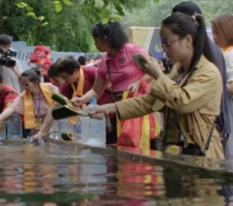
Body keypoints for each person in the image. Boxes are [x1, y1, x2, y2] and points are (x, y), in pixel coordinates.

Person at [89, 13, 224, 159]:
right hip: (176, 153)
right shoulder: (177, 73)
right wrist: (108, 108)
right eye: (162, 44)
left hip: (202, 155)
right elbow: (147, 101)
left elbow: (183, 102)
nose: (164, 49)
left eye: (167, 43)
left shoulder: (209, 73)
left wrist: (158, 75)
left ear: (188, 40)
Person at [71, 20, 153, 144]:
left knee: (141, 145)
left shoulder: (131, 50)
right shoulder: (104, 62)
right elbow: (96, 91)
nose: (95, 44)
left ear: (105, 38)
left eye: (96, 40)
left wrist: (138, 83)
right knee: (121, 147)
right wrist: (81, 100)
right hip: (118, 111)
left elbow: (154, 70)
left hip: (138, 109)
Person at [172, 1, 231, 141]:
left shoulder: (203, 49)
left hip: (209, 127)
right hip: (211, 125)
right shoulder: (210, 47)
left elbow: (186, 100)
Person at [33, 56, 110, 140]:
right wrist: (41, 132)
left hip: (108, 117)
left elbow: (112, 88)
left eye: (65, 77)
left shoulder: (93, 73)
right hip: (90, 121)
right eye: (62, 77)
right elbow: (54, 109)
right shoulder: (67, 85)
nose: (64, 80)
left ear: (76, 71)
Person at [0, 69, 58, 141]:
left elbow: (60, 101)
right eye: (22, 85)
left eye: (26, 84)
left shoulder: (49, 88)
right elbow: (11, 108)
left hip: (53, 127)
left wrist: (44, 131)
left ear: (35, 83)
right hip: (36, 129)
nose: (24, 87)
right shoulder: (24, 95)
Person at [211, 15, 233, 159]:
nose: (214, 37)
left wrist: (210, 84)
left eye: (217, 32)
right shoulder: (226, 53)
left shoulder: (230, 55)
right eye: (213, 33)